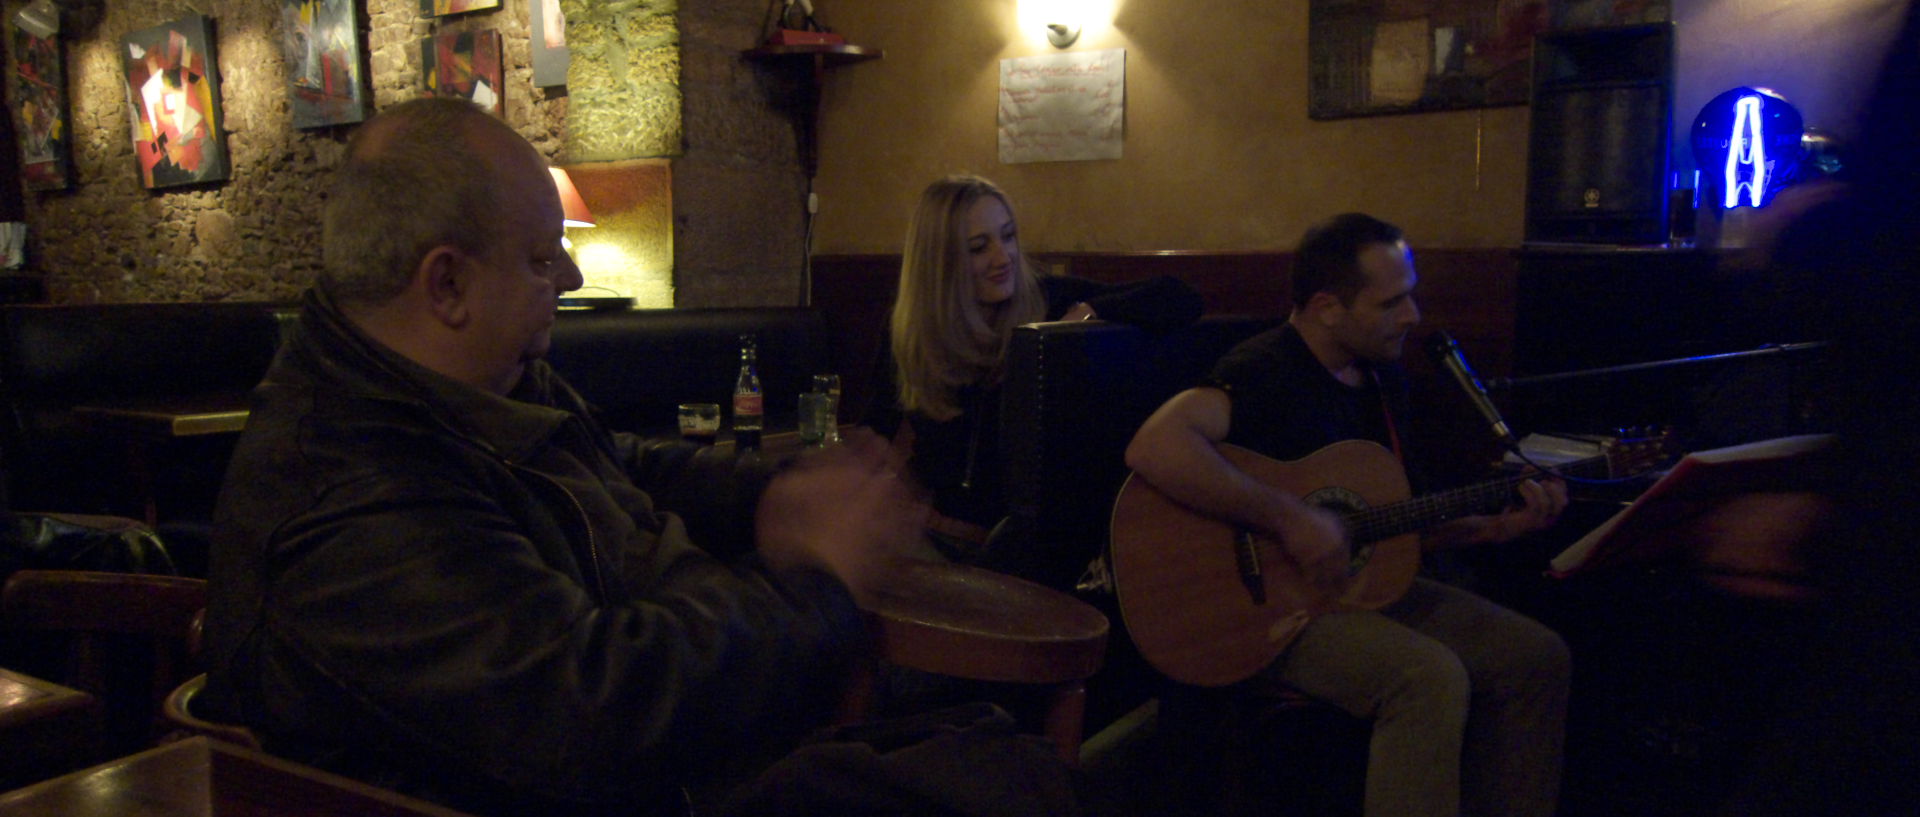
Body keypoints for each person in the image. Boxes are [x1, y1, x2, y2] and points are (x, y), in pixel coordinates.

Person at [199, 98, 936, 817]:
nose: (572, 280)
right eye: (542, 257)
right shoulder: (347, 497)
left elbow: (615, 464)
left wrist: (773, 491)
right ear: (448, 284)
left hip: (698, 750)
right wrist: (817, 582)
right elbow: (594, 710)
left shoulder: (479, 382)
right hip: (650, 782)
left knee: (981, 744)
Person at [1123, 213, 1571, 817]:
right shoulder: (1264, 369)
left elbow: (1393, 521)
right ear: (1328, 307)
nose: (1412, 315)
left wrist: (1496, 526)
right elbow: (1154, 445)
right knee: (1425, 676)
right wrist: (1288, 518)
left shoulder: (1383, 379)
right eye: (1392, 302)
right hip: (1264, 612)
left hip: (1356, 592)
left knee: (1535, 657)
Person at [864, 174, 1202, 570]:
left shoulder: (1046, 299)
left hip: (1024, 546)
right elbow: (875, 432)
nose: (1002, 257)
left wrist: (1092, 312)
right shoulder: (909, 328)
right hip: (934, 537)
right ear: (939, 259)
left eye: (1007, 236)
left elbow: (1180, 296)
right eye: (979, 247)